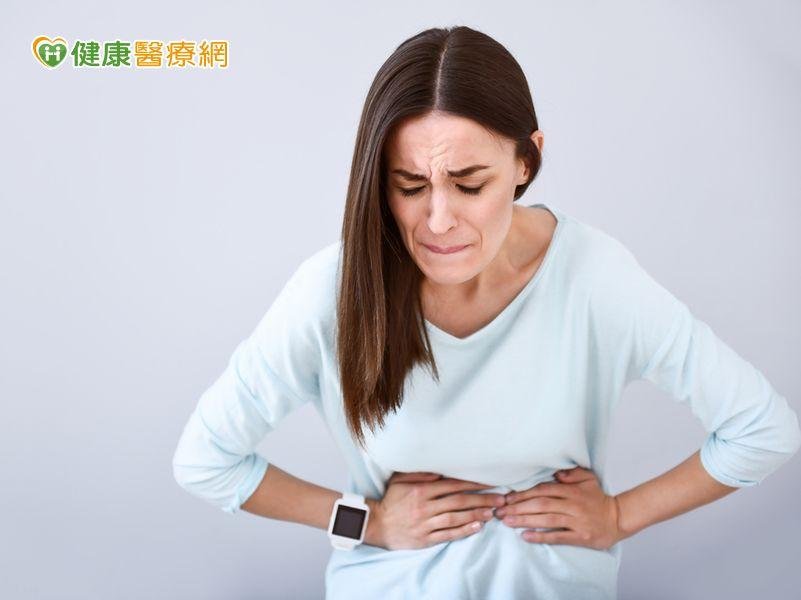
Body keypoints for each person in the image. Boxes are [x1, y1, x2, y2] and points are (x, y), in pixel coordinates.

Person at [171, 25, 801, 599]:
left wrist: (618, 516)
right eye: (409, 186)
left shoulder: (594, 278)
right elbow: (204, 460)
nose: (439, 221)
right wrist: (367, 520)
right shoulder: (333, 290)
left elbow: (762, 430)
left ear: (526, 161)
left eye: (470, 185)